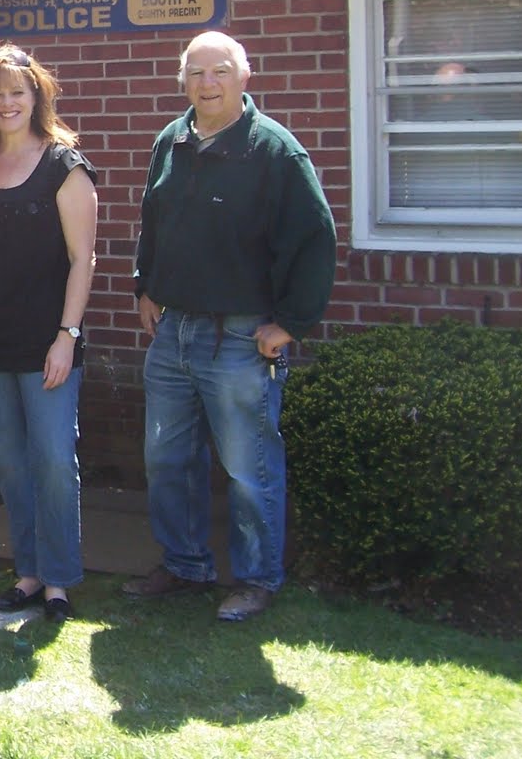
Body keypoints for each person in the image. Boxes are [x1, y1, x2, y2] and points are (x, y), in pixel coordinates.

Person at [124, 31, 336, 622]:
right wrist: (146, 285)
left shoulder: (275, 152)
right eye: (196, 73)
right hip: (173, 334)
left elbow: (315, 240)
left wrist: (289, 323)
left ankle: (257, 577)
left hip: (242, 336)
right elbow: (153, 218)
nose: (207, 84)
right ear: (183, 81)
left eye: (219, 72)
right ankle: (185, 563)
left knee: (249, 467)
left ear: (245, 78)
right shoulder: (172, 140)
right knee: (166, 458)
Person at [0, 45, 97, 623]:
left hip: (47, 342)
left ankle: (60, 581)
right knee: (10, 462)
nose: (8, 102)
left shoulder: (65, 165)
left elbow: (83, 259)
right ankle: (29, 574)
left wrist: (67, 335)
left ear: (37, 96)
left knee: (55, 460)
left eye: (17, 91)